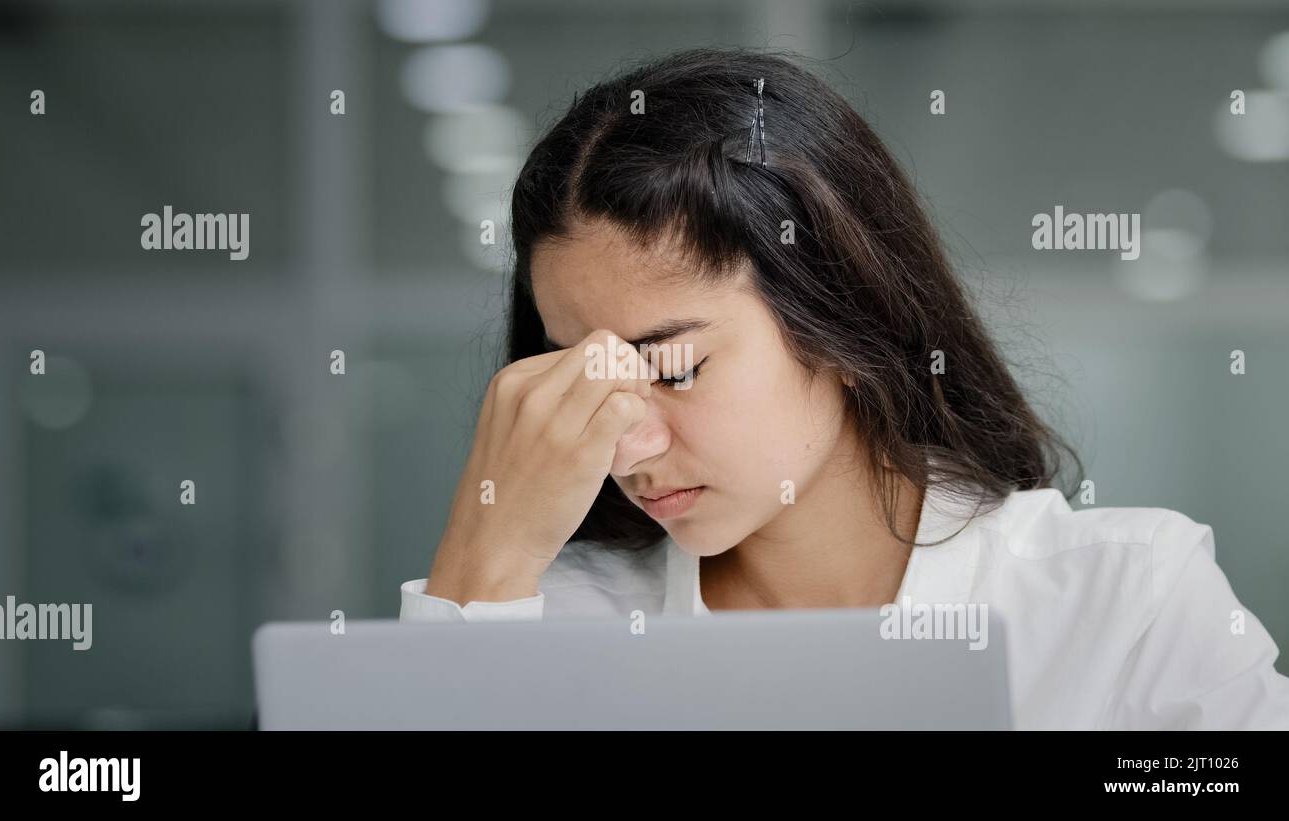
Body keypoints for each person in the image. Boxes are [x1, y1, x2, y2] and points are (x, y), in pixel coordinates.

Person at [398, 47, 1289, 729]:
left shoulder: (1125, 601)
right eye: (576, 379)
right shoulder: (544, 622)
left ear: (842, 323)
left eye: (672, 367)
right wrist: (483, 560)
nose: (625, 445)